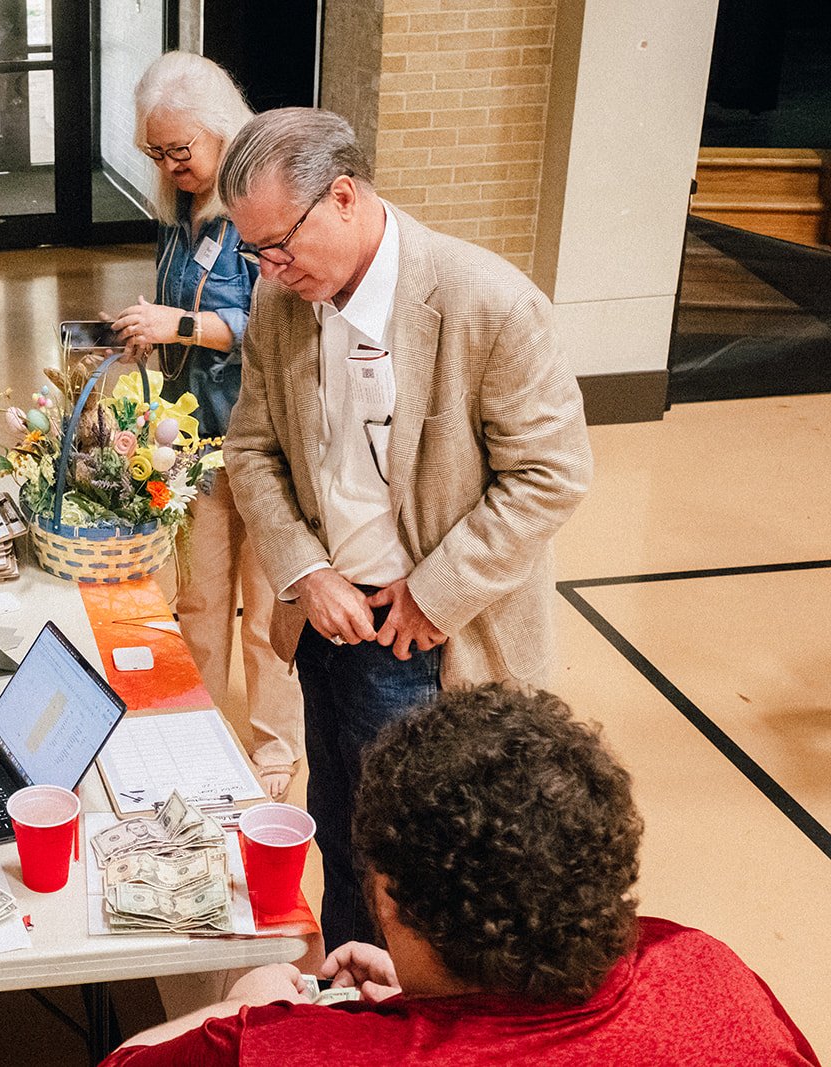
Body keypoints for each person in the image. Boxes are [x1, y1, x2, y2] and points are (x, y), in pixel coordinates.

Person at [217, 108, 593, 948]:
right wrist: (305, 570)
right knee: (344, 841)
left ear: (343, 197)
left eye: (279, 244)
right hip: (326, 619)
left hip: (429, 642)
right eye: (254, 252)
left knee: (428, 883)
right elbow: (250, 447)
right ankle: (356, 1010)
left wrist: (432, 593)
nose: (269, 269)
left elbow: (552, 473)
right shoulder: (282, 305)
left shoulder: (487, 304)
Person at [101, 685, 821, 1065]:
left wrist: (237, 1008)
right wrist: (427, 997)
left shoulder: (274, 1049)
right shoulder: (707, 968)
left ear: (385, 895)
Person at [110, 52, 305, 799]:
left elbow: (271, 328)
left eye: (179, 150)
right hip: (195, 442)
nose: (168, 164)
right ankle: (192, 726)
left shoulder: (260, 210)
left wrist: (183, 323)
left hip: (265, 441)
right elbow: (185, 319)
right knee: (194, 594)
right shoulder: (179, 213)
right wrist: (152, 335)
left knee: (266, 607)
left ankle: (276, 742)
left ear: (222, 131)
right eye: (155, 152)